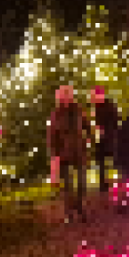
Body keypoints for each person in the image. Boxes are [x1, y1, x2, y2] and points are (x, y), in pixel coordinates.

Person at [46, 84, 90, 223]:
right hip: (63, 152)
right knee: (68, 184)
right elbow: (51, 136)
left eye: (68, 94)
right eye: (63, 95)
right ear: (59, 97)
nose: (66, 97)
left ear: (71, 96)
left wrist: (89, 138)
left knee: (82, 182)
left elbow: (86, 125)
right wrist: (54, 155)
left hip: (79, 150)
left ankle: (80, 207)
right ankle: (69, 212)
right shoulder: (55, 114)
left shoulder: (78, 110)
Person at [90, 85, 119, 195]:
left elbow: (115, 121)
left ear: (100, 95)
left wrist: (104, 129)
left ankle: (117, 182)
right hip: (100, 139)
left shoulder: (110, 105)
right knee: (100, 161)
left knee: (114, 160)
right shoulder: (95, 107)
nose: (92, 98)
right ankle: (103, 184)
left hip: (110, 138)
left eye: (93, 95)